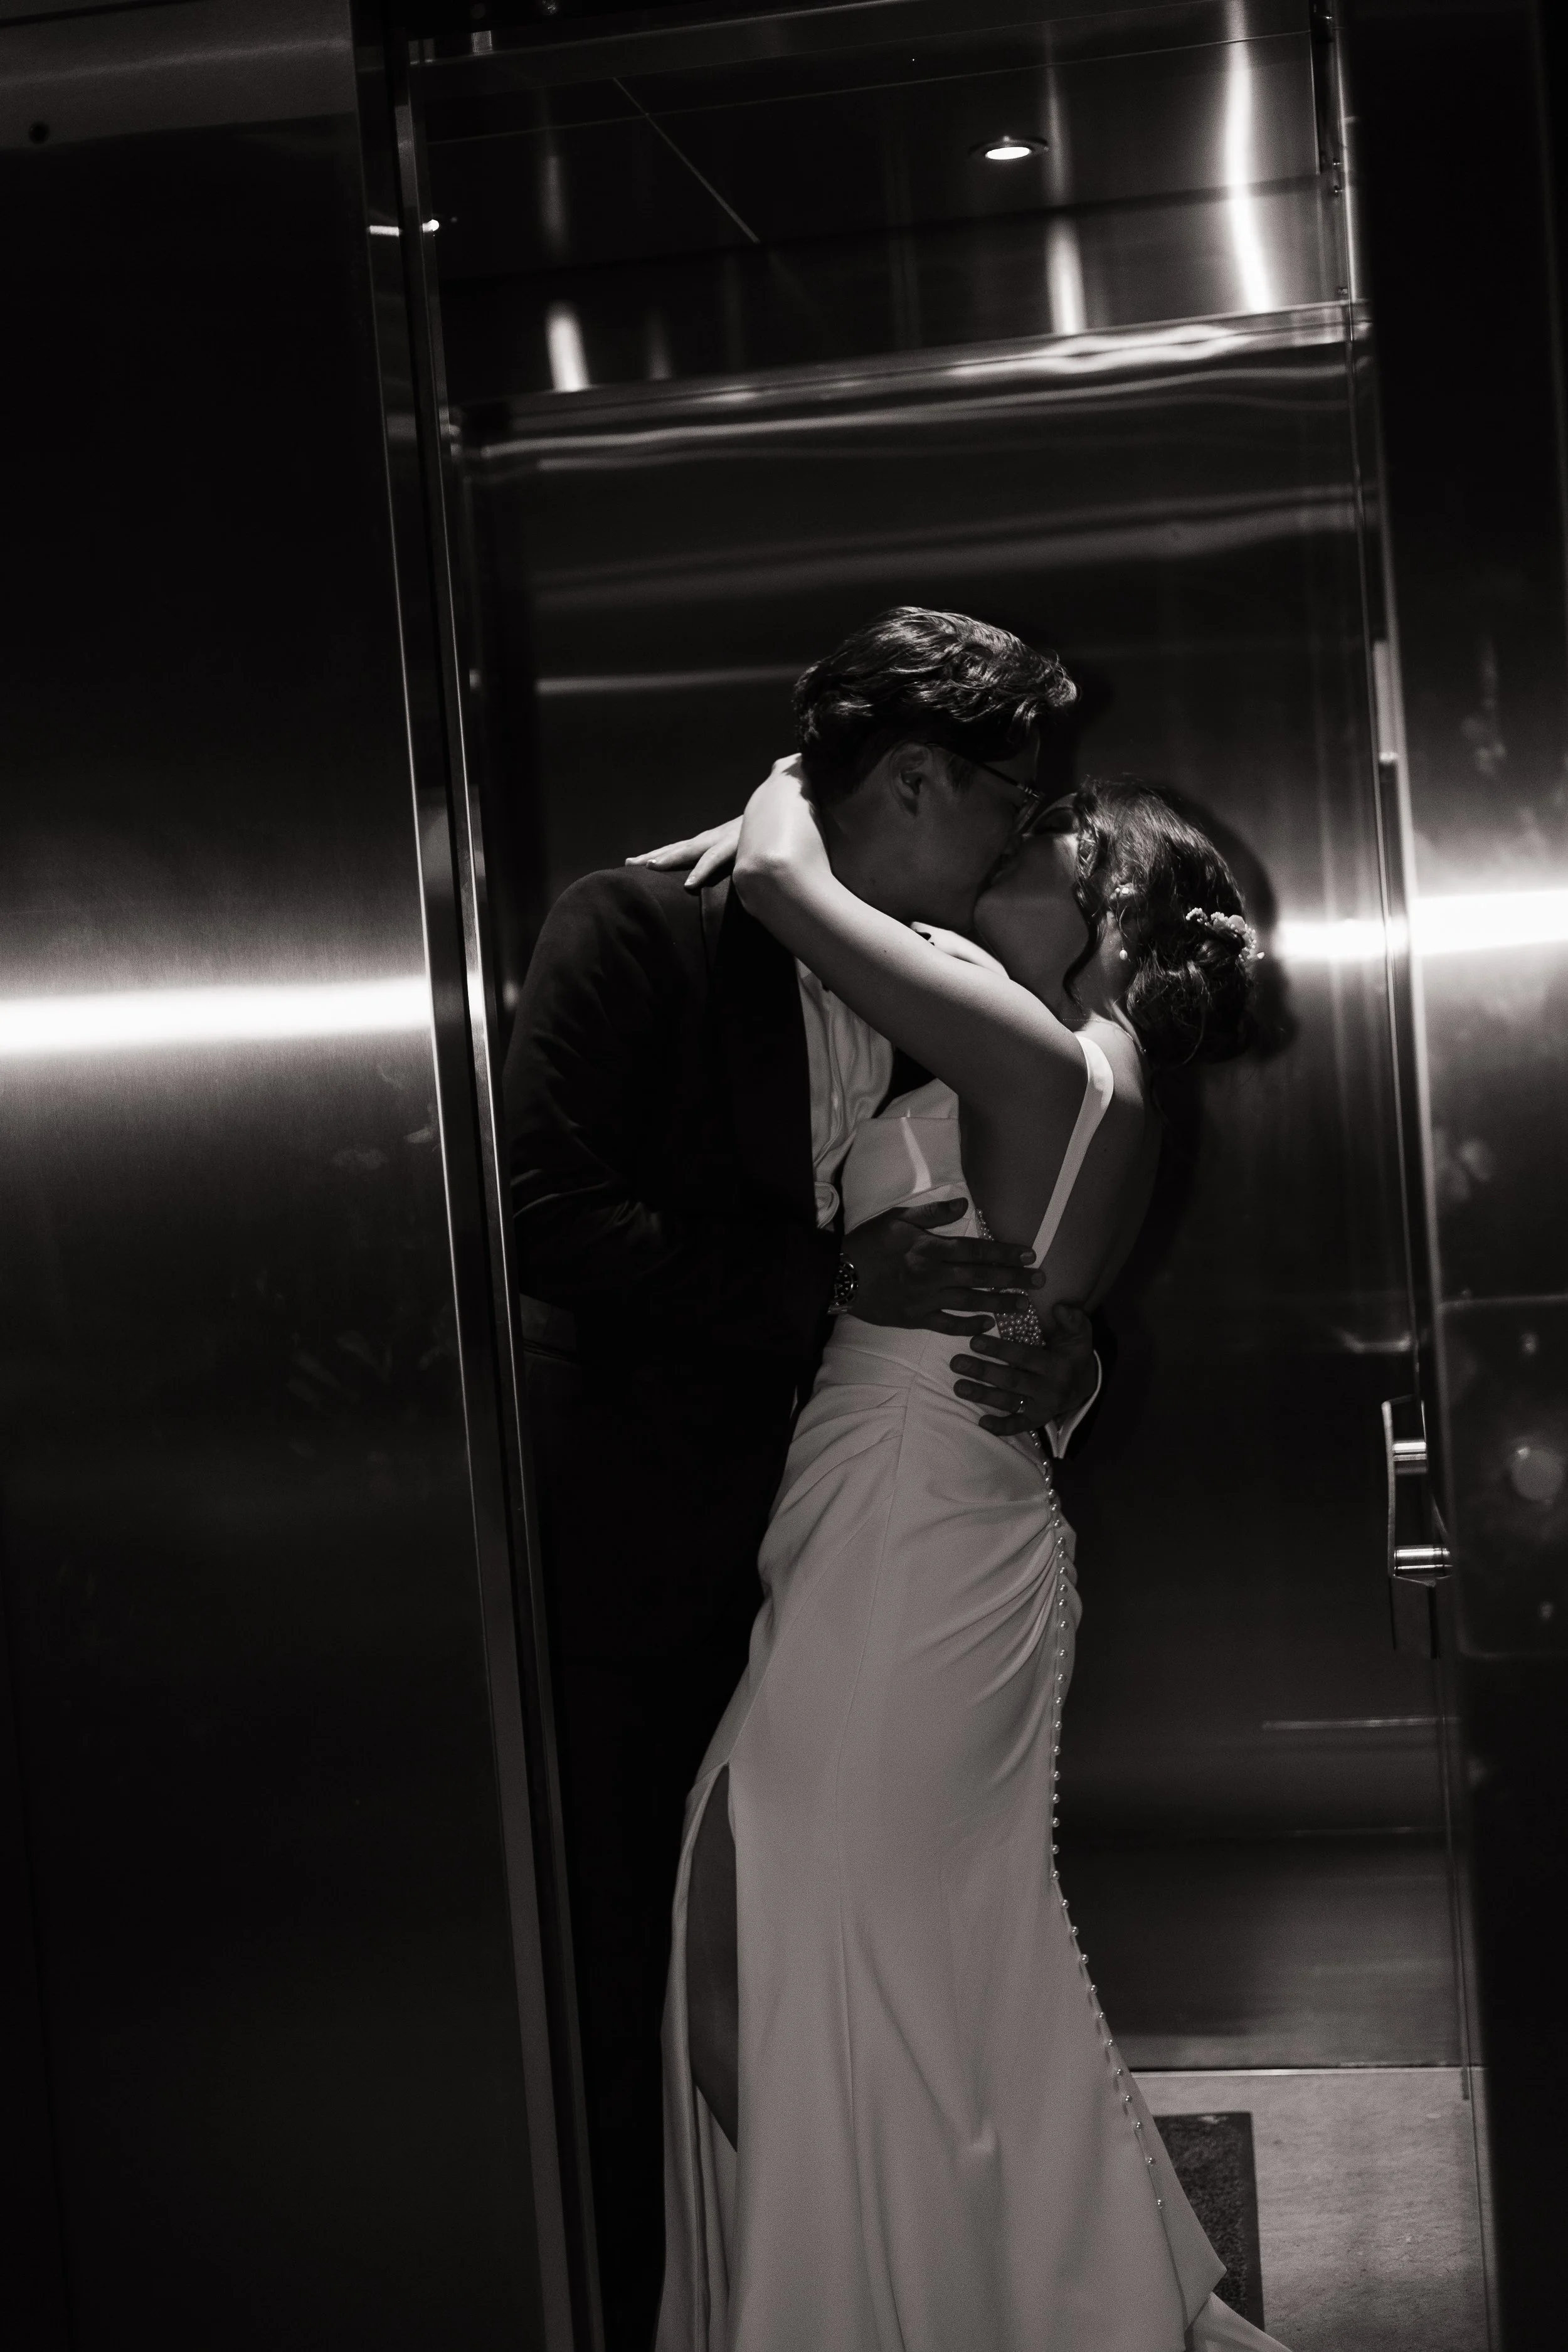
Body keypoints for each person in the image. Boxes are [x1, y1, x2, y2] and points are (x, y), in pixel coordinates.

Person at [504, 610, 1103, 2350]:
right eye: (1008, 795)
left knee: (821, 1954)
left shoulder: (932, 968)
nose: (1020, 831)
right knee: (651, 1964)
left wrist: (1067, 1367)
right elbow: (543, 1211)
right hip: (642, 1559)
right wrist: (826, 1282)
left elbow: (1021, 1232)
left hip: (859, 1550)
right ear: (911, 777)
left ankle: (882, 2275)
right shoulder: (637, 923)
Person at [650, 750, 1286, 2348]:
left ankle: (896, 2295)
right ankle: (961, 2290)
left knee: (762, 1951)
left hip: (909, 1533)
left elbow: (785, 883)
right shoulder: (1091, 1073)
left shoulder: (1037, 1055)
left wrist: (799, 775)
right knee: (863, 1965)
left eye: (1052, 830)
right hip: (937, 1513)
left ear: (1108, 904)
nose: (1017, 834)